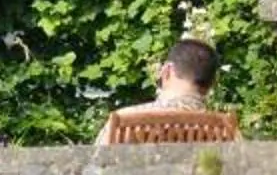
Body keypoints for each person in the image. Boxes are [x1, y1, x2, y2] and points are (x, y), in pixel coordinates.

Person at [95, 39, 223, 145]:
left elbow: (94, 169)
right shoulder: (224, 129)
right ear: (212, 83)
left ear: (167, 71)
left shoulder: (125, 121)